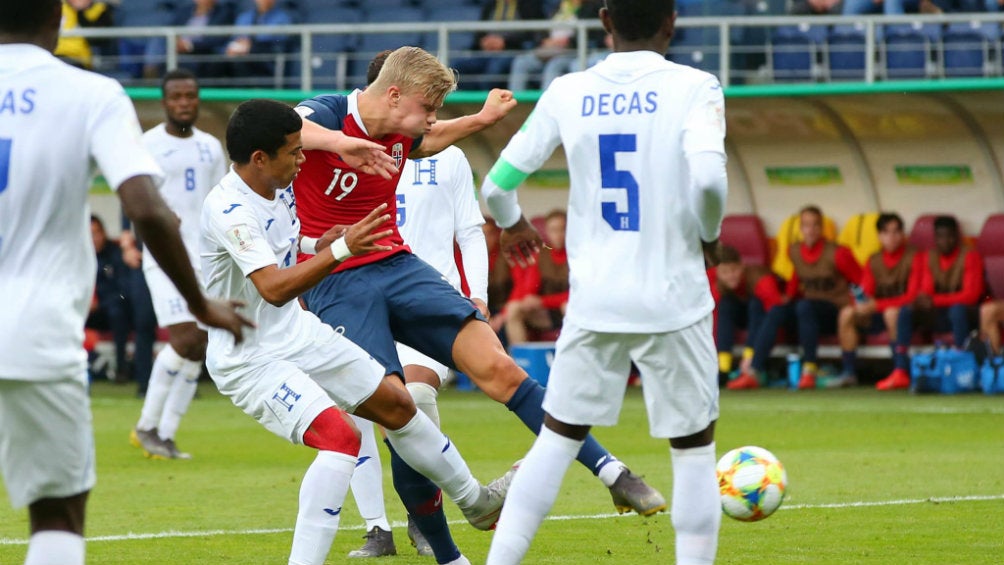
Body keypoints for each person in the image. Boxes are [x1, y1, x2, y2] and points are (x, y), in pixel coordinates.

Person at [293, 46, 666, 565]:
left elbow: (431, 140)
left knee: (499, 369)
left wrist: (483, 118)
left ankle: (614, 473)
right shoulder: (329, 112)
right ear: (395, 94)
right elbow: (285, 127)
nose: (431, 118)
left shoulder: (407, 132)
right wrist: (344, 144)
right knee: (400, 409)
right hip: (336, 283)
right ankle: (452, 545)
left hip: (399, 267)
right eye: (428, 106)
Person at [201, 98, 512, 565]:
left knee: (397, 402)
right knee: (341, 439)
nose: (303, 159)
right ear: (260, 158)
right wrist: (341, 249)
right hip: (249, 357)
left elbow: (285, 244)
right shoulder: (229, 209)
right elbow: (271, 288)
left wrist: (314, 243)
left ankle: (477, 504)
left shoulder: (275, 186)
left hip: (296, 334)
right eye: (293, 152)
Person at [0, 2, 250, 564]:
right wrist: (199, 303)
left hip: (42, 328)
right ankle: (152, 426)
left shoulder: (201, 146)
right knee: (57, 512)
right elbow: (147, 207)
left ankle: (156, 427)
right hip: (35, 334)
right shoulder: (90, 93)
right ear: (57, 21)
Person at [479, 0, 729, 560]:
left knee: (556, 441)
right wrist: (707, 232)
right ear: (671, 22)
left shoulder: (568, 91)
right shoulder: (696, 85)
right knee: (691, 450)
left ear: (604, 20)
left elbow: (495, 186)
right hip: (674, 298)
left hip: (596, 300)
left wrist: (515, 223)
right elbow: (710, 181)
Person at [125, 68, 228, 460]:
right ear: (165, 102)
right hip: (163, 255)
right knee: (184, 338)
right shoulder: (147, 144)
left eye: (190, 96)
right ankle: (147, 426)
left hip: (204, 257)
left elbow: (218, 197)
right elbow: (134, 195)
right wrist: (129, 236)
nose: (184, 103)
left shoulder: (210, 147)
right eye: (176, 97)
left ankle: (163, 435)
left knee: (200, 345)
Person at [745, 205, 863, 390]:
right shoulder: (794, 250)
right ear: (800, 228)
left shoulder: (838, 253)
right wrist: (787, 297)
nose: (811, 230)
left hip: (835, 309)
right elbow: (796, 276)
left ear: (821, 227)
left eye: (815, 225)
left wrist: (859, 308)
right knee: (777, 310)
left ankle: (809, 370)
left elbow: (861, 280)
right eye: (806, 225)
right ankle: (753, 371)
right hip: (808, 311)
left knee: (804, 306)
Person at [879, 215, 985, 390]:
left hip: (967, 314)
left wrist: (933, 300)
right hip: (941, 313)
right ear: (935, 238)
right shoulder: (930, 257)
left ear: (956, 237)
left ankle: (961, 366)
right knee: (907, 311)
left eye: (949, 236)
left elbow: (970, 296)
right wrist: (922, 301)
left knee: (957, 310)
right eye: (940, 236)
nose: (945, 241)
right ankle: (900, 369)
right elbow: (925, 291)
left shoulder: (970, 255)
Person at [836, 213, 924, 385]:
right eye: (886, 233)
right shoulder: (874, 259)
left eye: (896, 232)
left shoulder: (915, 256)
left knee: (892, 314)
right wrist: (860, 304)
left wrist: (877, 305)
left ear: (902, 234)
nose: (891, 237)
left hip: (907, 314)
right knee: (847, 312)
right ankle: (849, 371)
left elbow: (912, 296)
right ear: (879, 236)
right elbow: (865, 291)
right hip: (877, 312)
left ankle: (900, 370)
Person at [710, 245, 783, 390]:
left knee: (755, 304)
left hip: (762, 317)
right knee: (726, 304)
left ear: (742, 266)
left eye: (734, 270)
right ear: (716, 272)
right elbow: (712, 320)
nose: (730, 275)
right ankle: (723, 368)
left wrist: (752, 356)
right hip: (739, 316)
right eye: (725, 272)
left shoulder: (761, 279)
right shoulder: (713, 283)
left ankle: (750, 368)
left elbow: (775, 314)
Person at [504, 209, 570, 345]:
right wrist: (528, 299)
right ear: (546, 232)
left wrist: (542, 301)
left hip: (566, 309)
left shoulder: (577, 255)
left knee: (567, 306)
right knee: (514, 308)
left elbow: (577, 295)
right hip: (545, 313)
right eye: (553, 230)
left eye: (562, 229)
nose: (558, 235)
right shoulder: (541, 255)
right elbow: (529, 287)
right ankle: (521, 358)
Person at [507, 0, 605, 92]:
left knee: (554, 65)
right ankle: (514, 103)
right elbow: (543, 28)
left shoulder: (591, 7)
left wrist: (568, 42)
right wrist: (544, 40)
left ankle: (545, 105)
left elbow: (592, 35)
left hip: (572, 52)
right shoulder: (559, 6)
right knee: (521, 62)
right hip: (549, 49)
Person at [451, 0, 547, 90]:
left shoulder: (530, 4)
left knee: (494, 69)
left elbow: (533, 34)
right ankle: (464, 105)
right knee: (457, 68)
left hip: (512, 52)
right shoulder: (491, 4)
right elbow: (479, 33)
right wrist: (483, 42)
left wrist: (505, 42)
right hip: (486, 52)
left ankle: (488, 103)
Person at [85, 215, 134, 384]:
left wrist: (100, 303)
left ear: (104, 233)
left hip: (109, 310)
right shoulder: (78, 257)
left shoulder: (115, 254)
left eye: (97, 233)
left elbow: (123, 290)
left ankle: (121, 367)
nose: (94, 238)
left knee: (117, 313)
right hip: (84, 310)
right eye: (89, 233)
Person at [224, 0, 294, 86]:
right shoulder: (245, 16)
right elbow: (236, 38)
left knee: (251, 53)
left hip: (268, 57)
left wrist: (250, 45)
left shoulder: (282, 17)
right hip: (244, 55)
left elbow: (275, 39)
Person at [53, 0, 112, 69]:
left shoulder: (99, 9)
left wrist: (81, 11)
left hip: (79, 60)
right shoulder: (55, 6)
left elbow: (102, 41)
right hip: (53, 56)